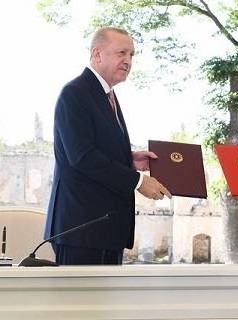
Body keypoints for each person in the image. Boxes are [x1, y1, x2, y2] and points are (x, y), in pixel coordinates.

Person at [45, 26, 171, 265]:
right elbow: (82, 157)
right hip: (82, 230)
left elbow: (95, 147)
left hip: (106, 230)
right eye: (121, 53)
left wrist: (129, 159)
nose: (128, 61)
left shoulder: (107, 95)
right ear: (97, 54)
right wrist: (138, 181)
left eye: (132, 55)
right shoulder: (75, 93)